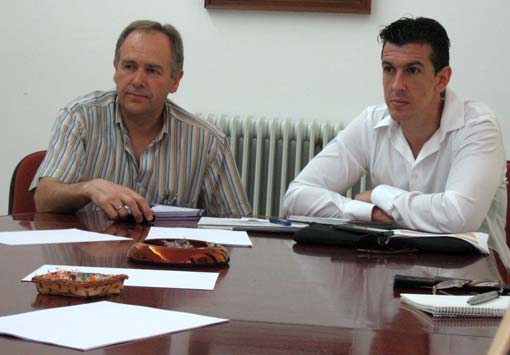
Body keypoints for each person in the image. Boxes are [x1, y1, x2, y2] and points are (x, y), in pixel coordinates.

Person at [282, 17, 509, 267]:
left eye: (412, 70)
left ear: (442, 79)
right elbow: (296, 198)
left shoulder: (477, 125)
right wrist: (370, 212)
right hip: (391, 276)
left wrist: (380, 194)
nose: (397, 86)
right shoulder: (371, 123)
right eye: (389, 69)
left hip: (473, 286)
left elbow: (457, 218)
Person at [31, 20, 252, 223]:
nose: (138, 80)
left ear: (175, 81)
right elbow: (44, 200)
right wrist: (88, 189)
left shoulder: (207, 142)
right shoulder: (80, 119)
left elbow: (236, 224)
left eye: (152, 71)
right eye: (129, 67)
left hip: (168, 262)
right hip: (87, 259)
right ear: (115, 69)